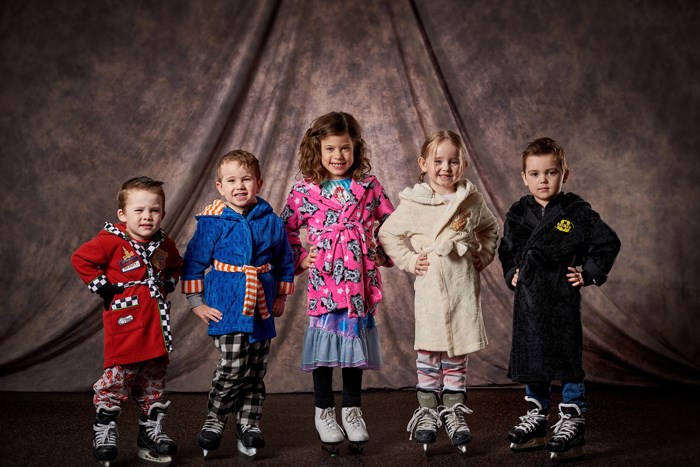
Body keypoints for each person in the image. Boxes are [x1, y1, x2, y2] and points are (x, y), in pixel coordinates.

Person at [498, 137, 621, 461]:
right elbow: (507, 249)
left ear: (564, 174)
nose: (543, 180)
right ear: (524, 177)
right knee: (533, 358)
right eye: (535, 174)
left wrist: (589, 272)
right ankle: (537, 415)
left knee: (566, 357)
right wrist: (511, 271)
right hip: (529, 299)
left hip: (561, 296)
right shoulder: (518, 212)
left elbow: (607, 242)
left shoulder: (575, 212)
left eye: (550, 172)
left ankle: (572, 417)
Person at [378, 130, 499, 453]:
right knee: (430, 352)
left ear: (464, 164)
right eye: (439, 161)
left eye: (453, 161)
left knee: (457, 352)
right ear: (424, 163)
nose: (446, 168)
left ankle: (456, 412)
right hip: (431, 289)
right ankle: (429, 411)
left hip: (461, 287)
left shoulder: (471, 199)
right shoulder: (414, 202)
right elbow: (388, 233)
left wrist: (482, 255)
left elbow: (490, 228)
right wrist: (409, 259)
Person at [281, 111, 394, 454]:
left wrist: (379, 252)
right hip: (326, 280)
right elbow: (284, 228)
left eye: (345, 148)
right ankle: (323, 411)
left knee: (353, 347)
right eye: (330, 149)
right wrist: (301, 258)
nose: (338, 157)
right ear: (317, 149)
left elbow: (392, 223)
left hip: (358, 280)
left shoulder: (369, 187)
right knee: (326, 348)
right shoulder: (304, 190)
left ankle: (353, 411)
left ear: (356, 149)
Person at [180, 149, 295, 459]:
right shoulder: (212, 221)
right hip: (226, 305)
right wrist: (196, 302)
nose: (239, 186)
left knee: (255, 370)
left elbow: (285, 260)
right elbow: (193, 261)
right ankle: (215, 418)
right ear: (220, 186)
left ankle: (248, 423)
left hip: (261, 306)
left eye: (246, 179)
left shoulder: (270, 221)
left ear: (259, 182)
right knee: (233, 367)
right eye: (231, 180)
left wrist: (281, 295)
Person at [71, 176, 182, 466]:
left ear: (163, 213)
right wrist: (104, 288)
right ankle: (105, 430)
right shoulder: (110, 242)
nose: (147, 216)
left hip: (156, 331)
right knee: (116, 383)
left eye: (154, 210)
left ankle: (151, 433)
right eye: (139, 210)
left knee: (153, 383)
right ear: (122, 214)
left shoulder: (164, 243)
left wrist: (168, 283)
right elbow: (81, 259)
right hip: (126, 329)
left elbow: (175, 265)